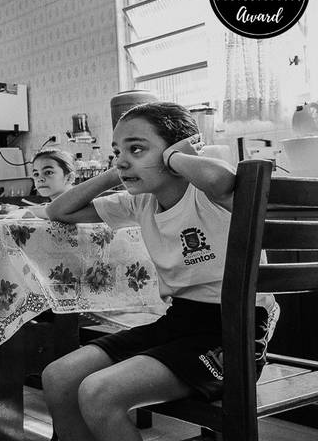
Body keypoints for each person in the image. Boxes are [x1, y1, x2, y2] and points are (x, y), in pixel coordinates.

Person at [40, 102, 279, 441]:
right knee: (58, 376)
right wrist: (116, 172)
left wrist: (173, 157)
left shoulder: (210, 192)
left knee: (98, 392)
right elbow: (59, 210)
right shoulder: (140, 201)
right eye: (117, 151)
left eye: (136, 148)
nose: (123, 159)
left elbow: (222, 182)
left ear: (177, 151)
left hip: (233, 333)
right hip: (179, 322)